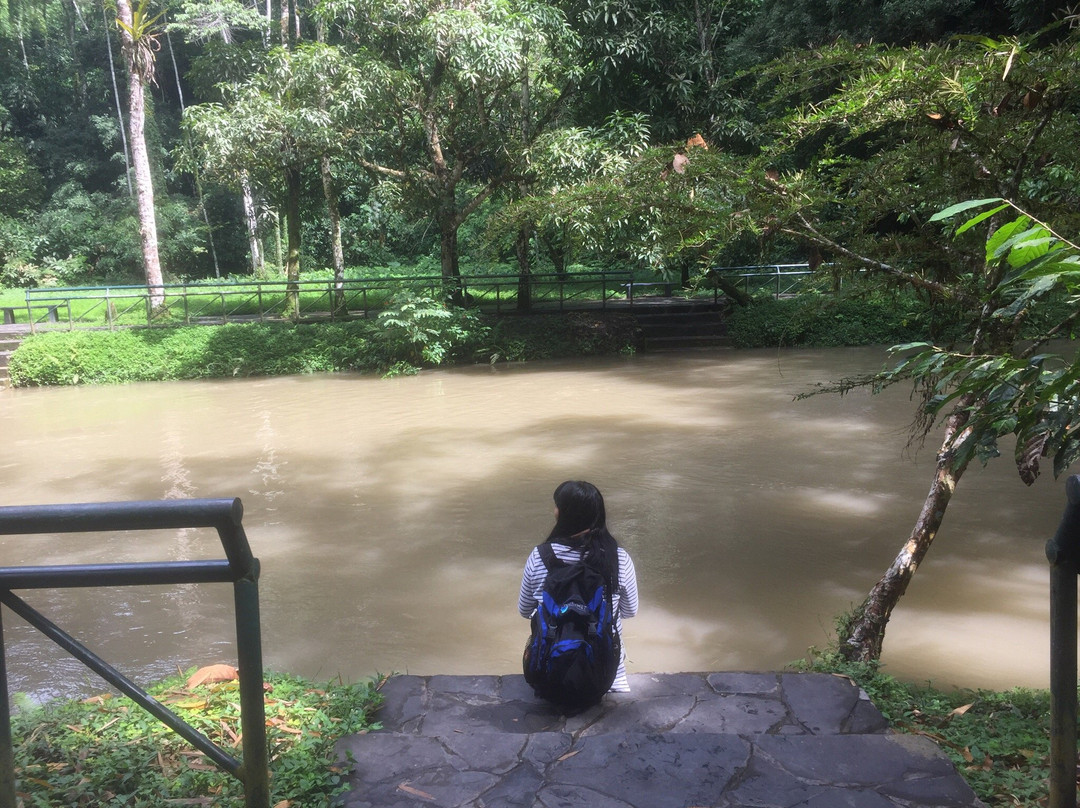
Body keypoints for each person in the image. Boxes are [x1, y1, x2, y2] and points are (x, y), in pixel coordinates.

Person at [517, 480, 639, 692]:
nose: (554, 510)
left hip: (549, 681)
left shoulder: (540, 557)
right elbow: (630, 611)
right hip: (607, 680)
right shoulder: (618, 559)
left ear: (563, 514)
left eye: (557, 506)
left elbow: (525, 610)